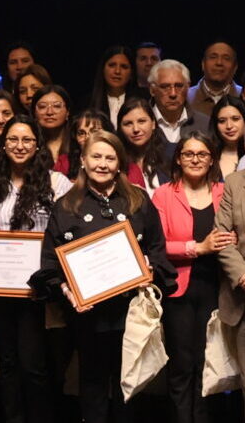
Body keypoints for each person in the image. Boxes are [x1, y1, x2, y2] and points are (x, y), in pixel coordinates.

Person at [29, 137, 176, 422]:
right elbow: (50, 263)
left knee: (129, 387)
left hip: (131, 313)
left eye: (110, 158)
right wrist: (67, 291)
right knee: (92, 387)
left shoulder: (138, 200)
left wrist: (149, 269)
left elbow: (158, 251)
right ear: (83, 160)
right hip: (88, 316)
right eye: (96, 157)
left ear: (119, 163)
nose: (102, 164)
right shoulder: (66, 206)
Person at [0, 117, 73, 422]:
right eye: (12, 139)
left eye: (27, 140)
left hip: (37, 291)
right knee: (7, 363)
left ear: (38, 145)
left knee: (34, 365)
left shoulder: (56, 184)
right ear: (2, 145)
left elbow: (66, 233)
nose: (19, 146)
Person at [151, 133, 235, 423]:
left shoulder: (226, 191)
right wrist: (197, 248)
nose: (196, 159)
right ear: (178, 158)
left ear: (212, 159)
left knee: (209, 364)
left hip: (219, 288)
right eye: (189, 154)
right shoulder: (163, 194)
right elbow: (156, 246)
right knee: (182, 365)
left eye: (202, 154)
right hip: (179, 291)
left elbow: (239, 232)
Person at [148, 59, 213, 144]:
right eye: (165, 87)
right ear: (152, 90)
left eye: (179, 86)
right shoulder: (140, 124)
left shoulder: (205, 124)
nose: (173, 94)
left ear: (188, 87)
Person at [189, 40, 243, 117]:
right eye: (213, 57)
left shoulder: (244, 97)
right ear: (203, 64)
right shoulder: (186, 98)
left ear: (235, 67)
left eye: (226, 58)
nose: (219, 62)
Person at [91, 44, 144, 117]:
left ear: (131, 73)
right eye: (112, 65)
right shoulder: (87, 103)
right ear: (103, 69)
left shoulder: (144, 99)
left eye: (124, 67)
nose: (117, 71)